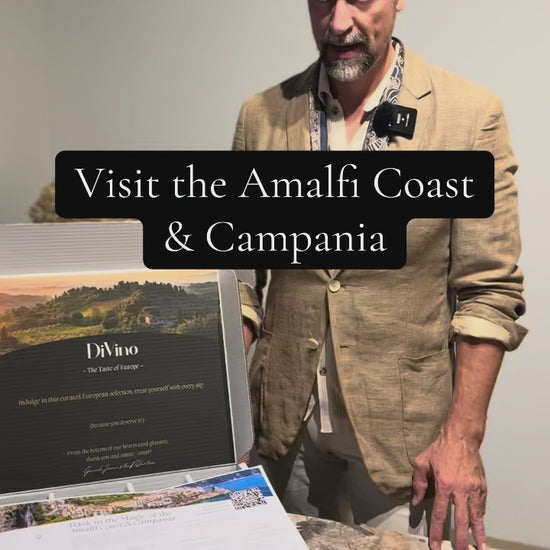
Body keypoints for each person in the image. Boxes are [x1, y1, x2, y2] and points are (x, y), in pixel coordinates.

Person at [234, 1, 527, 550]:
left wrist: (462, 439)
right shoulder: (261, 117)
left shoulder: (470, 116)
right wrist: (215, 407)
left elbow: (489, 290)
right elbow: (242, 281)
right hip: (283, 430)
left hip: (406, 441)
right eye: (324, 1)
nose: (339, 22)